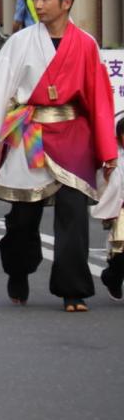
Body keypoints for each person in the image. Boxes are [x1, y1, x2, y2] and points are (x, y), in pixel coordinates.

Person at [0, 0, 116, 311]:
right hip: (30, 132)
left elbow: (99, 99)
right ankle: (19, 269)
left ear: (66, 3)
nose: (38, 4)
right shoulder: (20, 42)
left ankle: (73, 289)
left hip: (74, 133)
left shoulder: (86, 43)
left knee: (73, 212)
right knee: (23, 215)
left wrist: (107, 150)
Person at [91, 116, 124, 302]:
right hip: (121, 209)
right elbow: (103, 185)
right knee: (120, 251)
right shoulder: (113, 157)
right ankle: (113, 276)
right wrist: (107, 174)